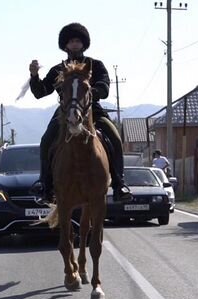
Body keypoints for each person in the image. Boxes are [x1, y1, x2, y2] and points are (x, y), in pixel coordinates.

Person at [28, 22, 132, 204]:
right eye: (71, 41)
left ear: (83, 43)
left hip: (92, 111)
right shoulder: (58, 70)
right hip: (64, 113)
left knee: (114, 136)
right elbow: (40, 92)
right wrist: (34, 76)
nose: (74, 44)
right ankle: (45, 184)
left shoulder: (96, 66)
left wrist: (90, 93)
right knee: (46, 140)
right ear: (65, 45)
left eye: (77, 41)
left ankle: (119, 183)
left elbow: (104, 87)